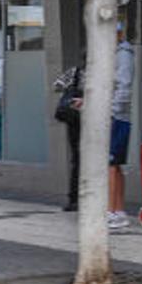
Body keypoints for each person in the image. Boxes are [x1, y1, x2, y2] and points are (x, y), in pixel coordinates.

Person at [107, 22, 135, 229]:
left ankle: (113, 211)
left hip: (116, 117)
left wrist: (112, 111)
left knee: (111, 166)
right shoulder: (116, 53)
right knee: (115, 166)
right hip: (116, 116)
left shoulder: (123, 54)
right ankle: (118, 210)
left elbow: (124, 86)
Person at [53, 56, 85, 212]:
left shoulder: (74, 72)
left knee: (76, 159)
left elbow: (56, 85)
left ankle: (73, 198)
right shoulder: (95, 75)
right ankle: (85, 196)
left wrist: (68, 93)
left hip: (73, 120)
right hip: (86, 120)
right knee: (86, 160)